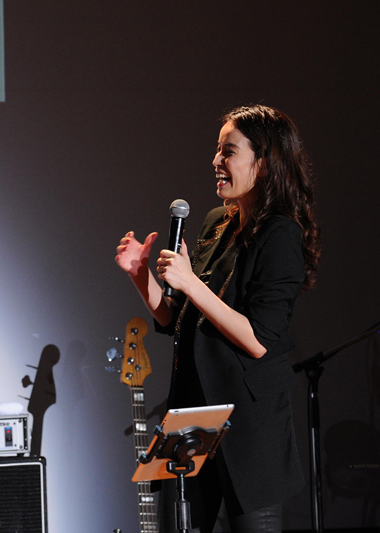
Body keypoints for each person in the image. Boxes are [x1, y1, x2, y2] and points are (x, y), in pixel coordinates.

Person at [115, 105, 321, 532]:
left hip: (249, 427)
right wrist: (141, 276)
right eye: (217, 150)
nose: (216, 161)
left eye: (229, 151)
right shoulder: (216, 224)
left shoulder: (281, 234)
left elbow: (259, 339)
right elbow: (177, 320)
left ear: (265, 163)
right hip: (192, 417)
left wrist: (191, 282)